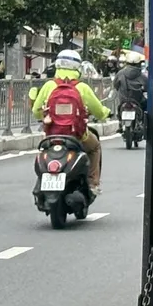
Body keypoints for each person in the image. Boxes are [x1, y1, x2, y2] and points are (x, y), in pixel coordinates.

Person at [31, 50, 110, 197]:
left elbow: (36, 110)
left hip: (51, 136)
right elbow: (98, 111)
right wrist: (105, 113)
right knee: (94, 148)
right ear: (77, 67)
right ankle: (93, 184)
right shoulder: (82, 87)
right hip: (77, 136)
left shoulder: (49, 85)